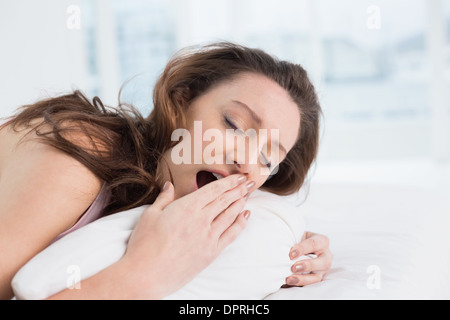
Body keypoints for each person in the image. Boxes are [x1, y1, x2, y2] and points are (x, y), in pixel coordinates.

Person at [0, 42, 332, 300]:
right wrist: (144, 275)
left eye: (266, 159)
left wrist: (293, 249)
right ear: (180, 103)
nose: (246, 164)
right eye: (234, 125)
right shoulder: (80, 153)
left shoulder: (164, 187)